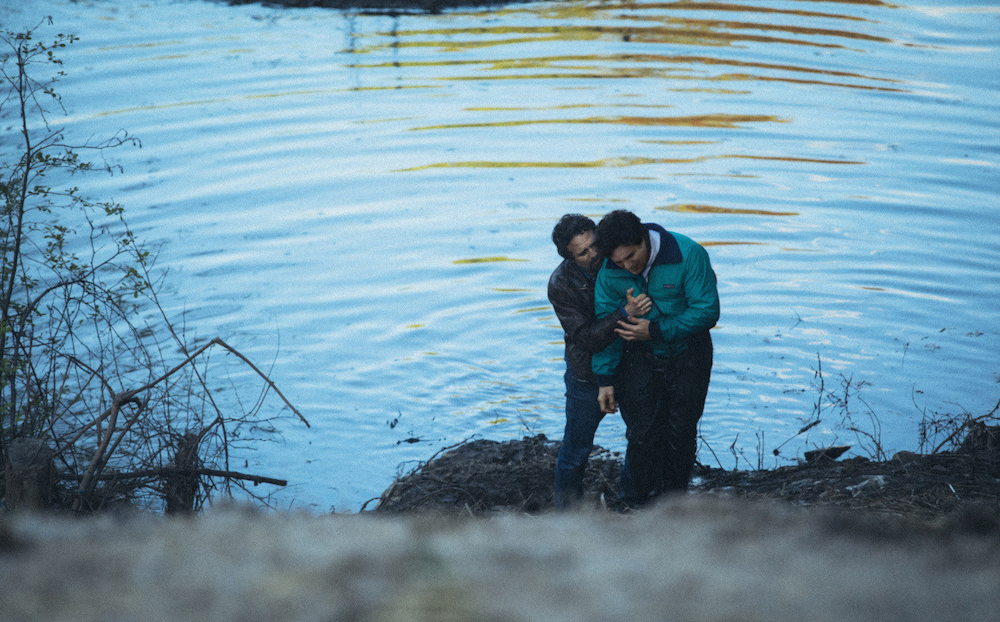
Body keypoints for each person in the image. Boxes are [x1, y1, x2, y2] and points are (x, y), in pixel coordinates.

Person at [592, 209, 720, 507]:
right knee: (641, 433)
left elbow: (707, 311)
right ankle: (634, 502)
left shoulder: (688, 254)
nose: (627, 266)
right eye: (618, 261)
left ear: (643, 239)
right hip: (639, 355)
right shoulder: (610, 271)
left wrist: (657, 330)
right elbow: (608, 325)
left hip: (690, 354)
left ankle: (673, 504)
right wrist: (605, 379)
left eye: (631, 257)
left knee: (681, 431)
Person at [548, 214, 652, 509]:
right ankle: (567, 515)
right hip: (587, 376)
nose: (594, 255)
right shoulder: (561, 284)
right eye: (583, 252)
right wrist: (624, 312)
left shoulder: (621, 258)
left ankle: (633, 505)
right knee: (576, 450)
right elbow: (586, 338)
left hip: (632, 366)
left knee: (641, 439)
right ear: (570, 258)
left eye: (594, 245)